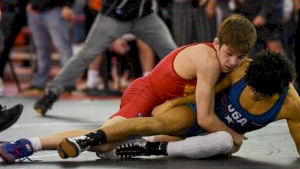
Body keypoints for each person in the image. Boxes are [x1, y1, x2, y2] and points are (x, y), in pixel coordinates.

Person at [0, 52, 300, 164]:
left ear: (277, 94)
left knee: (227, 142)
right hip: (195, 115)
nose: (250, 94)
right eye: (249, 87)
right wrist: (175, 103)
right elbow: (208, 94)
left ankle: (153, 148)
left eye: (258, 94)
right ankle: (29, 145)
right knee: (123, 133)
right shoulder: (242, 69)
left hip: (202, 140)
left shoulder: (290, 104)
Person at [39, 14, 257, 147]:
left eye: (239, 57)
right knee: (103, 142)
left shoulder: (234, 62)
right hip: (146, 94)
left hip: (166, 106)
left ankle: (139, 142)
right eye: (229, 53)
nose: (232, 62)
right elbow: (205, 119)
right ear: (216, 43)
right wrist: (234, 135)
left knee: (193, 142)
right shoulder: (208, 61)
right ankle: (30, 145)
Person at [33, 0, 179, 114]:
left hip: (144, 17)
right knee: (86, 53)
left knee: (172, 52)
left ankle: (191, 89)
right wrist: (115, 37)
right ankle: (52, 92)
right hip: (113, 17)